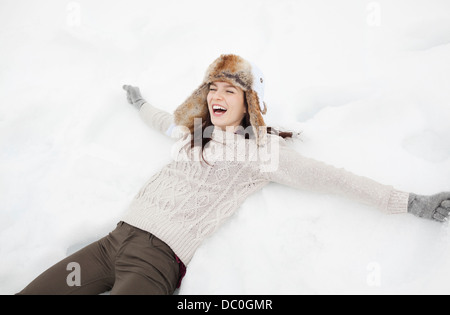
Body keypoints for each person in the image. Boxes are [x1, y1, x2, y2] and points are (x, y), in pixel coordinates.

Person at [17, 54, 450, 295]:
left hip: (155, 262)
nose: (217, 95)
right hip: (112, 243)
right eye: (213, 87)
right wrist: (138, 103)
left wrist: (412, 202)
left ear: (250, 102)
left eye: (231, 89)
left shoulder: (261, 152)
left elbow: (334, 178)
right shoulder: (192, 133)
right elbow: (161, 120)